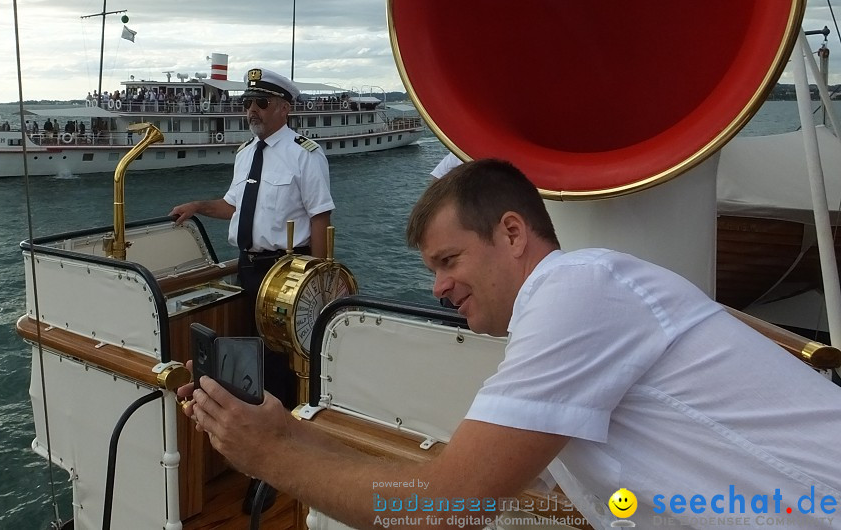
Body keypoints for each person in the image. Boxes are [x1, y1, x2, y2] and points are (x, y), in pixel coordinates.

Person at [182, 159, 841, 528]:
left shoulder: (576, 292)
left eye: (448, 261)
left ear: (513, 233)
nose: (438, 288)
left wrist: (271, 457)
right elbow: (460, 479)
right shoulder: (576, 307)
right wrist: (290, 435)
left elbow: (445, 508)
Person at [170, 66, 335, 513]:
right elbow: (234, 207)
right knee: (253, 364)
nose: (251, 111)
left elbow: (320, 218)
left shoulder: (306, 154)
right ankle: (261, 456)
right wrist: (199, 207)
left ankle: (274, 469)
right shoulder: (246, 155)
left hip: (288, 270)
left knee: (281, 369)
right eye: (247, 103)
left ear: (284, 107)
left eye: (260, 103)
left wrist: (316, 284)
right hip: (248, 271)